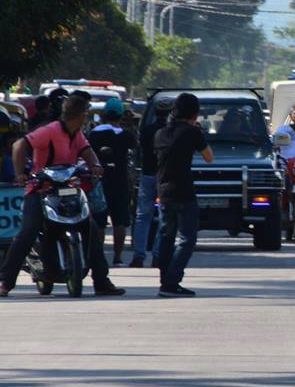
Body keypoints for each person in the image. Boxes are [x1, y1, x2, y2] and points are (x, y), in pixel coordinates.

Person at [0, 95, 124, 297]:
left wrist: (96, 166)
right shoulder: (50, 131)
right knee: (28, 231)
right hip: (39, 189)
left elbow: (88, 152)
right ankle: (5, 282)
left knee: (90, 227)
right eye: (86, 112)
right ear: (81, 114)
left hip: (67, 188)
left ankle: (101, 281)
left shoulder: (77, 134)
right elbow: (18, 146)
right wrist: (20, 173)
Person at [154, 93, 214, 298]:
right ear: (194, 113)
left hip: (163, 191)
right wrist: (199, 133)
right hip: (184, 192)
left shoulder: (160, 133)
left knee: (166, 237)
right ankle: (172, 281)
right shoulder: (192, 132)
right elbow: (209, 157)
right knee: (187, 239)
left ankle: (165, 281)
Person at [88, 98, 138, 266]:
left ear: (103, 114)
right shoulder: (125, 135)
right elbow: (134, 145)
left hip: (99, 181)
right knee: (119, 221)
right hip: (120, 181)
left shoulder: (93, 134)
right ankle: (117, 257)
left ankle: (100, 256)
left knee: (100, 221)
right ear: (120, 115)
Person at [132, 97, 173, 268]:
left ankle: (139, 256)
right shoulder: (170, 131)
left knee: (143, 217)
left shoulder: (147, 130)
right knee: (164, 217)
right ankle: (158, 255)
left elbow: (140, 153)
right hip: (164, 177)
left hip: (147, 175)